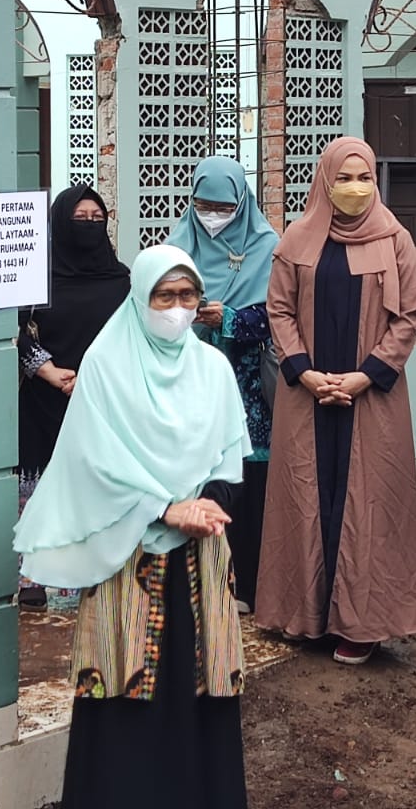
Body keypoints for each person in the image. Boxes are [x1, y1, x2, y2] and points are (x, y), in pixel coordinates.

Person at [14, 245, 251, 809]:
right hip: (128, 554)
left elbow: (230, 453)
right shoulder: (106, 364)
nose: (177, 308)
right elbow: (93, 460)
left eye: (187, 295)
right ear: (140, 297)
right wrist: (165, 509)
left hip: (200, 556)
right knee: (123, 685)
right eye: (164, 296)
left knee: (200, 683)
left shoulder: (212, 369)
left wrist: (209, 502)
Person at [256, 136, 416, 665]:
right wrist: (303, 372)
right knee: (304, 496)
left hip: (369, 398)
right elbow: (279, 308)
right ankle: (304, 614)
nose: (355, 188)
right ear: (324, 182)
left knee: (369, 504)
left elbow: (409, 316)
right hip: (307, 396)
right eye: (344, 178)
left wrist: (365, 376)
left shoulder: (396, 239)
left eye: (364, 178)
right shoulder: (297, 238)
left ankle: (363, 624)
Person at [165, 156, 279, 611]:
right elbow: (153, 305)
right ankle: (202, 587)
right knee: (196, 481)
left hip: (246, 386)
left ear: (241, 203)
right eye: (204, 205)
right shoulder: (178, 247)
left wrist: (229, 319)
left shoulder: (267, 247)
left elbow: (280, 315)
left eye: (223, 207)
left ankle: (248, 585)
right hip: (188, 384)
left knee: (247, 482)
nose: (212, 215)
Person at [17, 185, 129, 607]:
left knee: (91, 487)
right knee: (39, 488)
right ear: (60, 224)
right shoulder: (35, 278)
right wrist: (45, 368)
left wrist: (93, 377)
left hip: (100, 400)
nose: (89, 226)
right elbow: (13, 329)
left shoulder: (121, 280)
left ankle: (88, 575)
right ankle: (33, 576)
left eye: (96, 219)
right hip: (43, 400)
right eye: (79, 220)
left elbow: (130, 336)